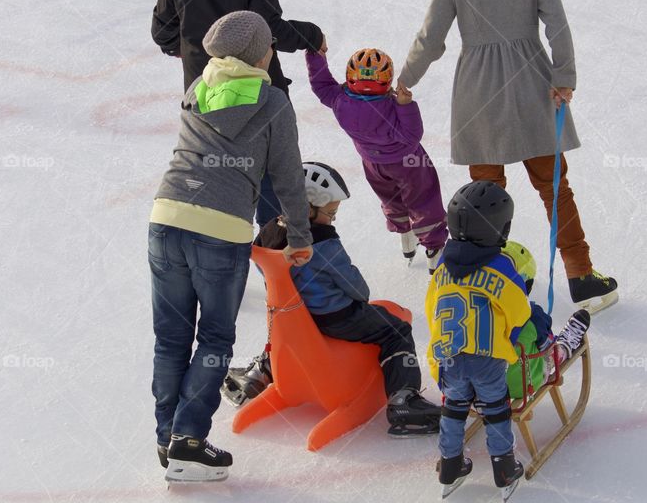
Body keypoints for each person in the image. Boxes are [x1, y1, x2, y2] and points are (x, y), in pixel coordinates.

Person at [398, 0, 618, 315]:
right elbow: (557, 25)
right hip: (533, 86)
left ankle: (487, 280)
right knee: (555, 186)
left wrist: (406, 80)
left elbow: (431, 38)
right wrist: (564, 78)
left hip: (479, 92)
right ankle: (581, 274)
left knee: (485, 193)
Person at [149, 11, 313, 482]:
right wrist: (300, 236)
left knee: (172, 338)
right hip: (220, 230)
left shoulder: (197, 89)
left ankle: (171, 438)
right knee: (216, 339)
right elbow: (287, 177)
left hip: (165, 218)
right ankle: (188, 442)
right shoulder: (273, 102)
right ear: (262, 53)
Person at [151, 0, 325, 227]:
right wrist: (312, 35)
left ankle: (216, 253)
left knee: (217, 178)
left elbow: (163, 31)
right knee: (272, 179)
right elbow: (269, 27)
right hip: (260, 93)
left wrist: (186, 50)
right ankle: (277, 268)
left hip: (206, 93)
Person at [226, 161, 443, 436]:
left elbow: (264, 269)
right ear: (307, 208)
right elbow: (358, 290)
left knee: (286, 334)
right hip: (336, 318)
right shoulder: (322, 241)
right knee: (396, 330)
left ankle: (261, 372)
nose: (332, 219)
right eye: (330, 212)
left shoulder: (269, 232)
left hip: (293, 319)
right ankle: (404, 399)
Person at [426, 180, 529, 498]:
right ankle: (503, 466)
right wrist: (504, 332)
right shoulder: (501, 266)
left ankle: (450, 464)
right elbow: (520, 312)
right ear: (501, 228)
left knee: (454, 408)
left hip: (449, 355)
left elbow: (432, 308)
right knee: (495, 408)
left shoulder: (442, 264)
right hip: (487, 358)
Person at [306, 46, 448, 271]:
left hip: (373, 165)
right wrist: (405, 106)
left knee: (390, 198)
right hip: (408, 164)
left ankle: (405, 234)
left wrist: (315, 54)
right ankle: (433, 247)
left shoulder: (339, 100)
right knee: (424, 199)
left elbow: (321, 84)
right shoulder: (390, 106)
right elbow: (410, 136)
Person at [499, 241, 590, 400]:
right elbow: (546, 348)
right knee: (547, 350)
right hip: (518, 386)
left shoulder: (464, 305)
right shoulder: (532, 315)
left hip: (465, 386)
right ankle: (564, 346)